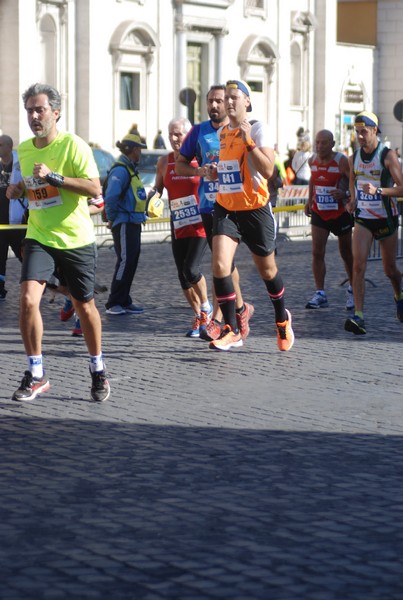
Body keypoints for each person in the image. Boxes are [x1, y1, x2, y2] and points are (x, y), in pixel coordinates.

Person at [6, 82, 110, 402]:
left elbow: (94, 188)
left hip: (75, 238)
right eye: (29, 111)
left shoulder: (73, 146)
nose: (34, 116)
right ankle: (36, 373)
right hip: (39, 235)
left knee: (85, 305)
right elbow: (32, 186)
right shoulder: (23, 150)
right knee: (27, 299)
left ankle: (97, 368)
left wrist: (56, 177)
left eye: (39, 110)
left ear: (56, 113)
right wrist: (20, 190)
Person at [208, 79, 294, 352]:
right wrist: (216, 172)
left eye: (234, 97)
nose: (228, 102)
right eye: (226, 98)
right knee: (220, 265)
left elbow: (268, 171)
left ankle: (282, 319)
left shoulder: (258, 129)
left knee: (267, 271)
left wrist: (249, 143)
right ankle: (232, 328)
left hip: (255, 209)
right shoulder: (222, 132)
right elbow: (232, 170)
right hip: (226, 207)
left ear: (247, 101)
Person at [175, 84, 253, 341]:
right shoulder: (198, 132)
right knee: (224, 264)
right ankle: (239, 310)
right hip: (210, 206)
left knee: (224, 263)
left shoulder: (239, 128)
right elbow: (181, 164)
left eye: (219, 100)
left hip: (237, 204)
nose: (214, 106)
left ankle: (224, 317)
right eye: (210, 101)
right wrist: (201, 172)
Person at [151, 116, 212, 337]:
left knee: (191, 269)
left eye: (178, 134)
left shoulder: (198, 158)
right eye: (171, 134)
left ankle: (206, 306)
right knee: (182, 276)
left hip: (199, 223)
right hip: (178, 223)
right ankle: (199, 317)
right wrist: (152, 197)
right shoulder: (163, 162)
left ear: (188, 135)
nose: (174, 139)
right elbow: (158, 188)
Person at [344, 111, 403, 335]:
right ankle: (359, 316)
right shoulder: (354, 158)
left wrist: (379, 190)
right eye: (357, 132)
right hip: (364, 219)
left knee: (389, 269)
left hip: (386, 218)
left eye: (364, 132)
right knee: (358, 265)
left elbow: (402, 187)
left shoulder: (387, 156)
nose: (359, 137)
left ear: (375, 130)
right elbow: (352, 181)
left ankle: (399, 293)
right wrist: (353, 200)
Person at [304, 129, 354, 310]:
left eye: (323, 143)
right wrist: (309, 200)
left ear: (332, 144)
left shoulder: (341, 161)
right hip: (320, 212)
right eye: (317, 142)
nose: (319, 146)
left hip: (340, 213)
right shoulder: (312, 160)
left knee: (346, 253)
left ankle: (353, 290)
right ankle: (320, 293)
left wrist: (345, 194)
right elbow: (313, 179)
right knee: (317, 252)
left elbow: (353, 182)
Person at [104, 126, 147, 316]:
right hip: (124, 222)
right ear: (131, 150)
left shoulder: (130, 169)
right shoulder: (121, 171)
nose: (140, 152)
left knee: (131, 261)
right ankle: (114, 302)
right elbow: (111, 198)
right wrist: (112, 219)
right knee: (125, 261)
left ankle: (124, 299)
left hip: (133, 222)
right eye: (138, 148)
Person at [0, 136, 26, 300]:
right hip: (0, 223)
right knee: (0, 257)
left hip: (17, 222)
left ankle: (38, 282)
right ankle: (0, 289)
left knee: (24, 255)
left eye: (1, 144)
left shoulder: (20, 164)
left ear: (9, 147)